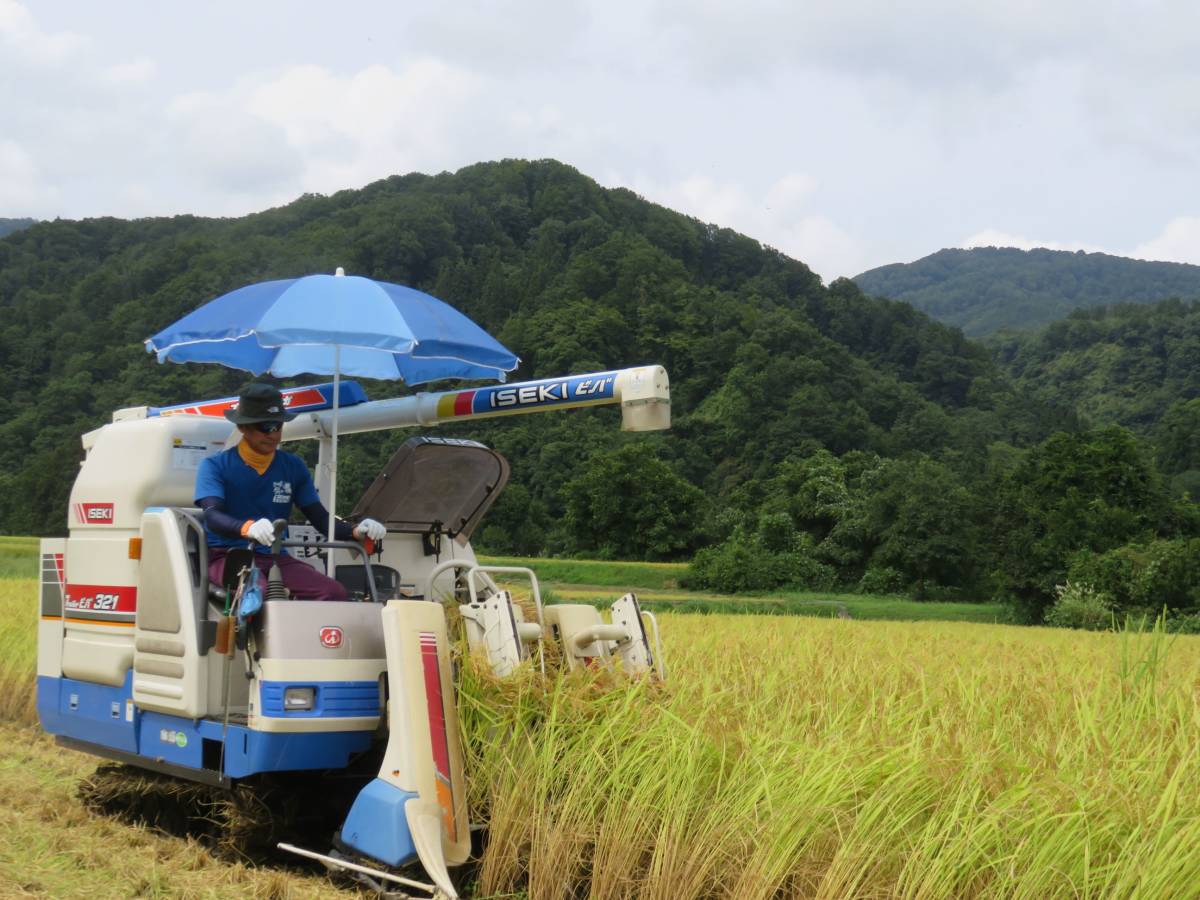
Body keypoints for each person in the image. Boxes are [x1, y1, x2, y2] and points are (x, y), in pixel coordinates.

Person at [195, 382, 387, 601]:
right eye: (265, 427)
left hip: (275, 556)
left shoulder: (292, 466)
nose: (273, 434)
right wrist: (247, 528)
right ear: (243, 428)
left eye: (277, 426)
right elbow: (213, 516)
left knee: (333, 593)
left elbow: (320, 519)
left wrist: (356, 531)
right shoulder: (215, 466)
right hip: (229, 557)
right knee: (260, 593)